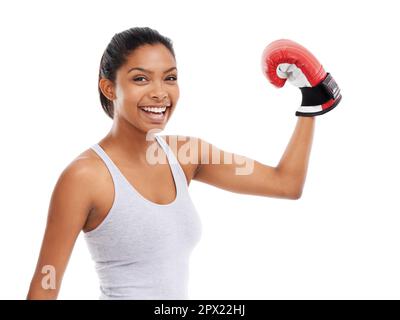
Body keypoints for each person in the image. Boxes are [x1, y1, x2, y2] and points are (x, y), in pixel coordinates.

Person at [27, 27, 340, 300]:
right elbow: (45, 284)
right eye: (140, 79)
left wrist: (310, 102)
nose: (160, 93)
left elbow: (285, 184)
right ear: (109, 88)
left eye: (170, 78)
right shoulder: (85, 176)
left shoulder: (187, 154)